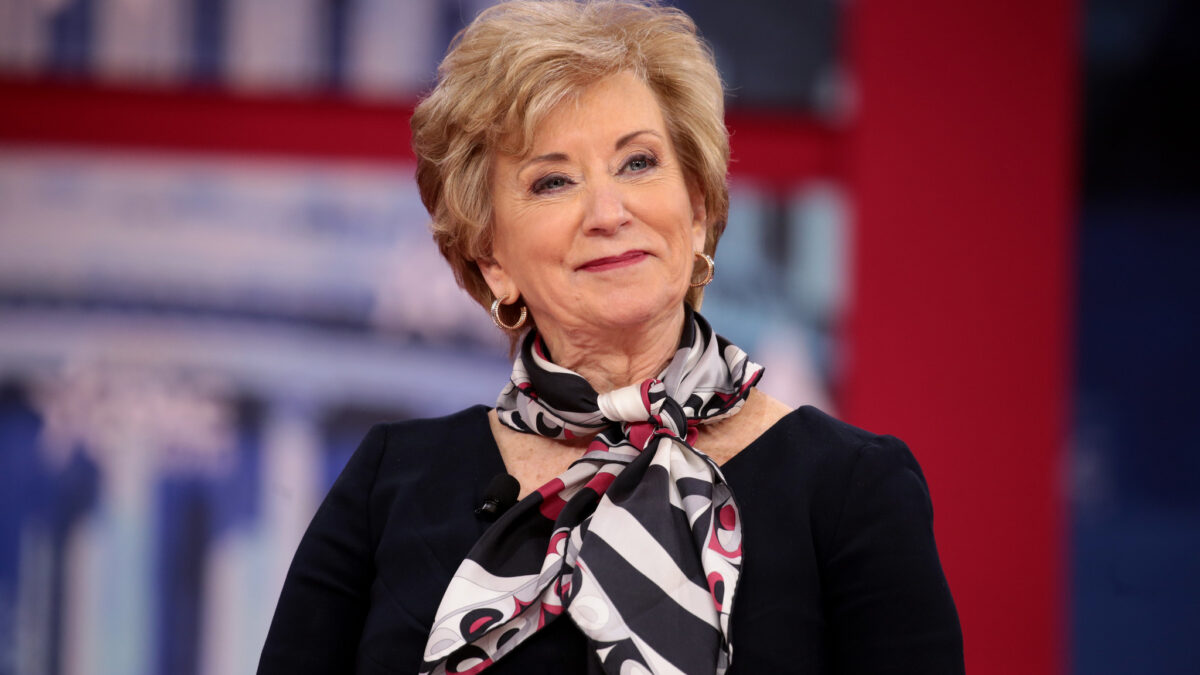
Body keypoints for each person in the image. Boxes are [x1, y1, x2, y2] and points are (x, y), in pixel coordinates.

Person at [258, 1, 964, 673]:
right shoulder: (391, 482)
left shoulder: (849, 488)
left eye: (638, 162)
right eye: (552, 181)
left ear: (697, 212)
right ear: (493, 259)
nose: (608, 211)